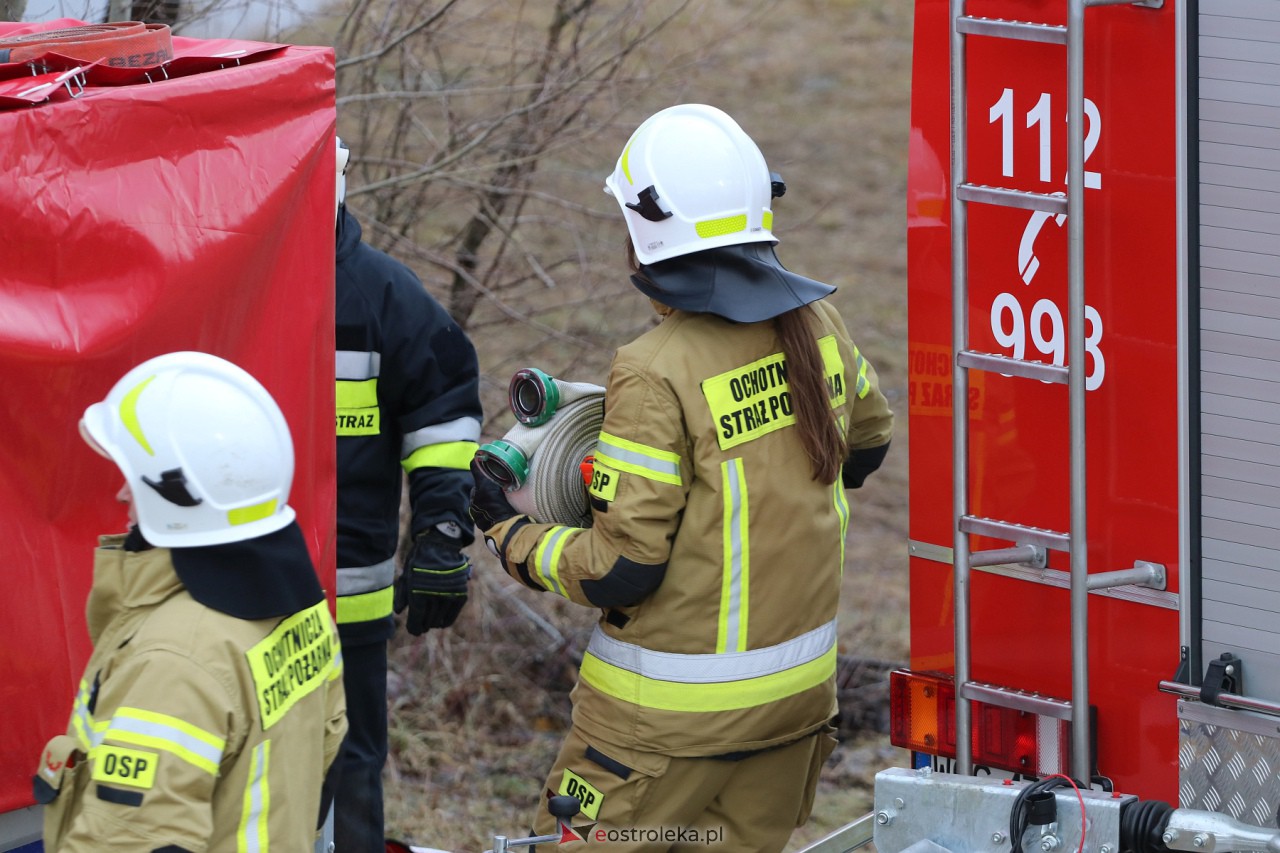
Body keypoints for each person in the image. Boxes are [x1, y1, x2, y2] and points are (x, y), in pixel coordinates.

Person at [469, 104, 895, 852]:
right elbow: (864, 450)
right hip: (793, 711)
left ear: (645, 230)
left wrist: (511, 535)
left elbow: (622, 567)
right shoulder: (822, 325)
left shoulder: (654, 368)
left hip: (654, 733)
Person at [36, 351, 347, 852]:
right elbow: (329, 749)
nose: (121, 495)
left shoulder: (175, 660)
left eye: (134, 480)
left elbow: (130, 842)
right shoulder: (303, 609)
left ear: (178, 498)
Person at [332, 137, 484, 852]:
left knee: (351, 768)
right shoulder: (220, 280)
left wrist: (442, 531)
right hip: (227, 596)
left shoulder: (381, 295)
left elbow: (445, 406)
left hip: (347, 604)